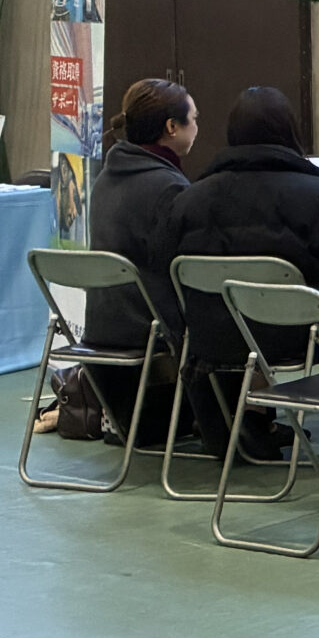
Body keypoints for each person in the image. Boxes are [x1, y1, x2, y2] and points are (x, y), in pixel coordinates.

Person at [156, 88, 319, 462]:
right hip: (299, 337)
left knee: (256, 310)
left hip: (215, 336)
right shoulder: (315, 192)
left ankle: (254, 417)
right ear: (289, 131)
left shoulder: (189, 198)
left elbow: (164, 262)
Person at [82, 80, 198, 446]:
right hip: (150, 341)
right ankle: (247, 422)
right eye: (194, 119)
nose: (198, 126)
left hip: (101, 335)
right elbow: (186, 269)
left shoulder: (105, 178)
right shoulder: (168, 187)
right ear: (172, 127)